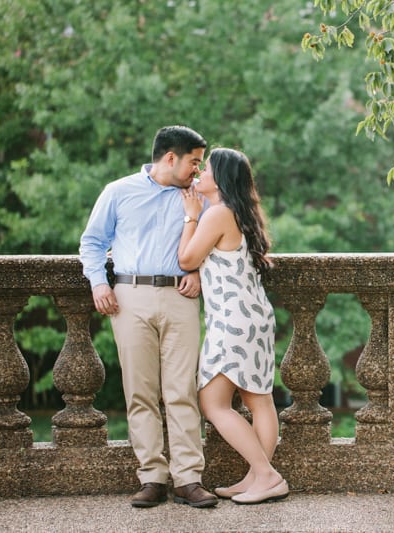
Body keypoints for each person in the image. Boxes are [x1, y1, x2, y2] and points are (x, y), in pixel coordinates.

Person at [79, 126, 219, 509]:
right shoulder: (119, 192)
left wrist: (198, 271)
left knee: (181, 391)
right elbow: (92, 242)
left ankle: (189, 478)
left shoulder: (198, 198)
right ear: (170, 158)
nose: (198, 169)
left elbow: (215, 243)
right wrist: (97, 283)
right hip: (129, 298)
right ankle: (153, 477)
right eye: (194, 161)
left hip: (181, 298)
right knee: (140, 392)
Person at [177, 147, 288, 505]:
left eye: (206, 169)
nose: (199, 174)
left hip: (232, 322)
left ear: (220, 178)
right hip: (255, 318)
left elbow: (186, 258)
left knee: (213, 403)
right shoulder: (242, 213)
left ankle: (267, 475)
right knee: (259, 401)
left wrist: (190, 217)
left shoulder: (217, 214)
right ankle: (257, 478)